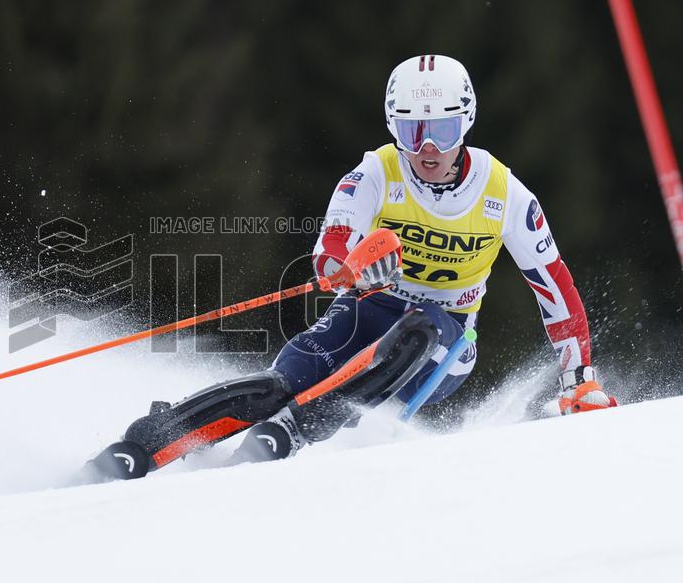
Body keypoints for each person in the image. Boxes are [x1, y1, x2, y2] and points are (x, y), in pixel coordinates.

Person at [86, 54, 617, 482]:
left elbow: (553, 283)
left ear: (467, 124)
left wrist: (578, 378)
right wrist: (349, 267)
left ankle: (295, 430)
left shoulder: (504, 192)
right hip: (366, 309)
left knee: (420, 330)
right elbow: (331, 247)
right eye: (412, 134)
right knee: (282, 383)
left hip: (447, 341)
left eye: (444, 130)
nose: (428, 149)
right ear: (393, 129)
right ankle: (145, 445)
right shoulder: (375, 172)